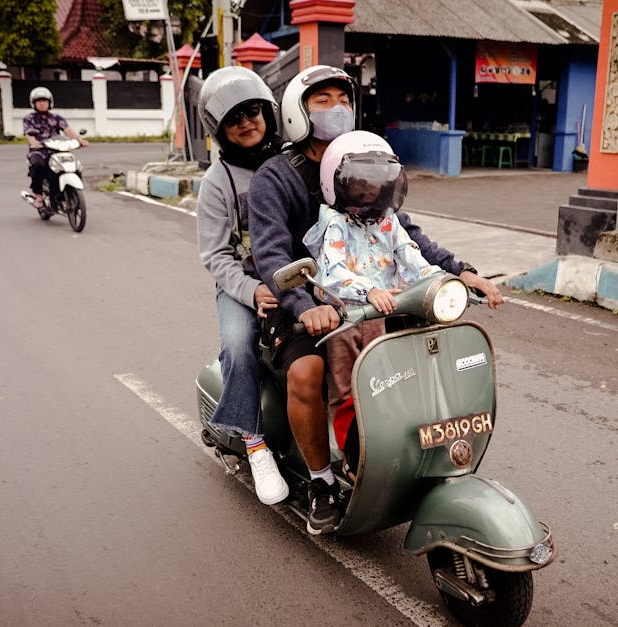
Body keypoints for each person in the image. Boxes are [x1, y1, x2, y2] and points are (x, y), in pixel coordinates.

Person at [247, 65, 504, 535]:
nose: (337, 109)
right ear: (298, 112)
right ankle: (323, 481)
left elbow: (407, 237)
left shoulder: (368, 162)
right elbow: (270, 255)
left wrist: (460, 272)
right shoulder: (275, 177)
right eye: (322, 100)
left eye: (343, 99)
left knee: (425, 346)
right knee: (308, 371)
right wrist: (306, 306)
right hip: (300, 300)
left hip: (371, 300)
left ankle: (405, 449)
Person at [303, 131, 442, 474]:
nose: (369, 192)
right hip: (345, 318)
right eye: (359, 185)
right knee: (346, 389)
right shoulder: (335, 223)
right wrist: (368, 291)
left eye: (377, 184)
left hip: (380, 316)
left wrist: (441, 280)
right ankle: (350, 457)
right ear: (336, 184)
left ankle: (383, 446)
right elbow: (332, 270)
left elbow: (410, 254)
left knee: (384, 385)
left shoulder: (388, 222)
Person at [194, 66, 289, 505]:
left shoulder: (292, 161)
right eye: (233, 118)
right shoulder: (216, 183)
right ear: (219, 129)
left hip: (296, 274)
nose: (246, 123)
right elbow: (216, 256)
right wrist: (251, 291)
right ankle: (254, 442)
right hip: (244, 283)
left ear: (268, 112)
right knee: (237, 342)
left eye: (252, 111)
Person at [22, 86, 88, 211]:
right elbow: (29, 135)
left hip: (57, 149)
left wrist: (80, 140)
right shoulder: (29, 119)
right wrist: (35, 143)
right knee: (37, 165)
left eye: (44, 101)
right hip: (39, 151)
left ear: (50, 102)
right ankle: (39, 197)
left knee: (74, 165)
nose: (42, 104)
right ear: (34, 104)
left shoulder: (57, 118)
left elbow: (68, 131)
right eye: (39, 101)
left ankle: (72, 192)